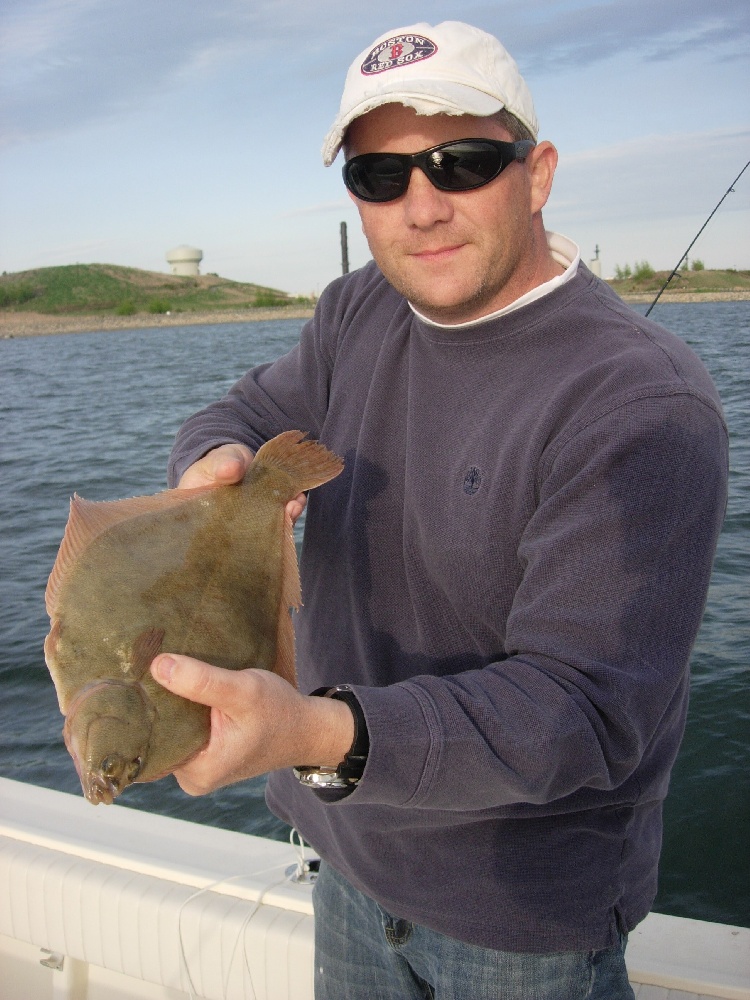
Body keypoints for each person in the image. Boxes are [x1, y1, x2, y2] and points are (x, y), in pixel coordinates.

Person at [150, 20, 728, 1000]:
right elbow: (246, 409)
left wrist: (308, 734)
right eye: (381, 178)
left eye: (461, 163)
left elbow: (582, 714)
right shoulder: (355, 310)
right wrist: (219, 466)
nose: (422, 207)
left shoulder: (640, 404)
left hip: (518, 913)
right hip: (349, 854)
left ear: (536, 173)